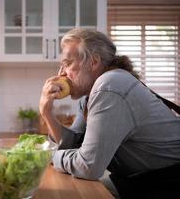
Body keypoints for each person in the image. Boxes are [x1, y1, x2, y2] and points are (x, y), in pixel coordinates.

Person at [39, 28, 180, 198]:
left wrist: (48, 155)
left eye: (68, 64)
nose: (61, 73)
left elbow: (88, 166)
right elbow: (72, 146)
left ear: (93, 62)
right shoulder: (89, 96)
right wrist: (46, 111)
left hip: (167, 184)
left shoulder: (109, 85)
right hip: (141, 181)